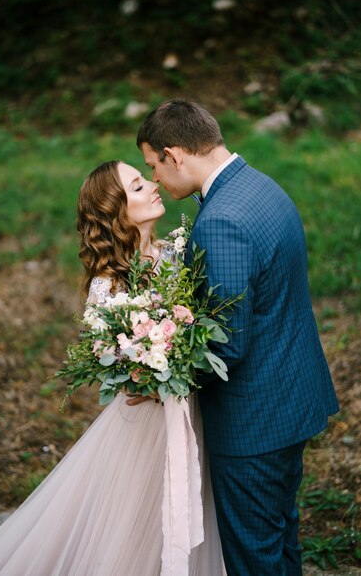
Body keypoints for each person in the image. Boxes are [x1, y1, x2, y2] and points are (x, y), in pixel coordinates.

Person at [0, 160, 226, 576]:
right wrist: (145, 372)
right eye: (137, 185)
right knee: (135, 517)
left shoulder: (180, 253)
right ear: (118, 209)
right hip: (144, 422)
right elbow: (104, 354)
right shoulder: (108, 285)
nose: (153, 185)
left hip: (191, 411)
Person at [137, 99, 339, 576]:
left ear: (175, 154)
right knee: (280, 538)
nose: (158, 180)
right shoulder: (261, 186)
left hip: (255, 423)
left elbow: (227, 344)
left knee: (254, 557)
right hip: (293, 399)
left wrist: (154, 371)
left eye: (154, 166)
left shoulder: (220, 222)